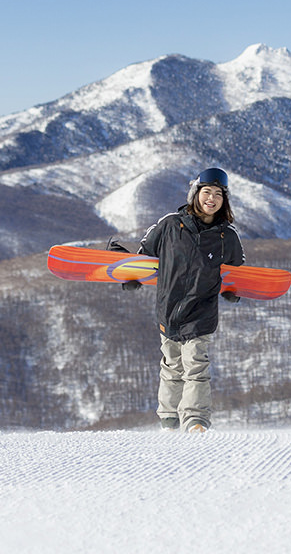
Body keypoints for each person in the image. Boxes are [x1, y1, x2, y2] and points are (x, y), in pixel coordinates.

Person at [119, 167, 245, 432]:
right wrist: (130, 277)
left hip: (201, 313)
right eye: (207, 192)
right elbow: (145, 258)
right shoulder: (169, 225)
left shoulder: (227, 237)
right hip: (168, 309)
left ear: (225, 200)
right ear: (195, 194)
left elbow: (237, 272)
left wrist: (232, 290)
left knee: (196, 366)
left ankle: (195, 421)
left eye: (218, 194)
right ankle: (169, 420)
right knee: (171, 367)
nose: (212, 199)